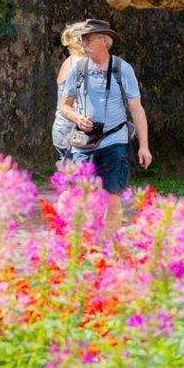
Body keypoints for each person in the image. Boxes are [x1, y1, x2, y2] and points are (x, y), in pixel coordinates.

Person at [59, 19, 152, 226]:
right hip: (85, 142)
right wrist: (78, 118)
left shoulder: (122, 69)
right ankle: (76, 242)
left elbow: (136, 109)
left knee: (112, 199)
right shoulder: (78, 69)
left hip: (115, 142)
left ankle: (106, 249)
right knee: (75, 196)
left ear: (104, 41)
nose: (83, 43)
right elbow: (64, 106)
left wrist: (144, 147)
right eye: (82, 39)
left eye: (88, 39)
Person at [51, 21, 89, 161]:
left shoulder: (68, 61)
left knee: (68, 173)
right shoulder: (81, 64)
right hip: (74, 132)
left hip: (61, 129)